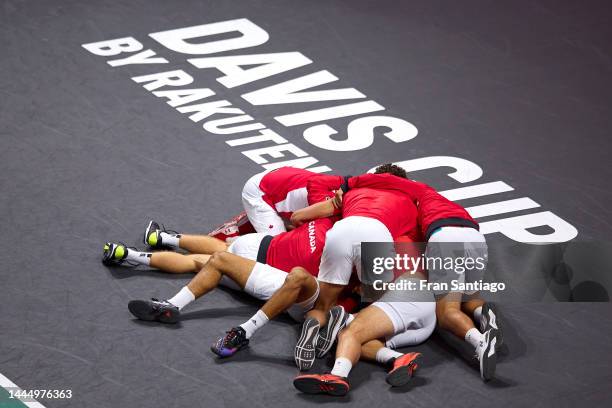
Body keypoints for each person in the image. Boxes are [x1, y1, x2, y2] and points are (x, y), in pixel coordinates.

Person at [102, 217, 349, 363]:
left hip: (276, 273)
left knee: (211, 257)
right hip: (282, 283)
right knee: (216, 258)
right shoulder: (376, 241)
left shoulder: (336, 216)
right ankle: (165, 291)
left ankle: (145, 248)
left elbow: (298, 215)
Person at [341, 164, 503, 381]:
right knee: (466, 296)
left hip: (443, 238)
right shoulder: (430, 194)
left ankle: (479, 340)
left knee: (446, 313)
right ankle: (485, 315)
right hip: (474, 236)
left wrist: (348, 184)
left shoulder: (405, 195)